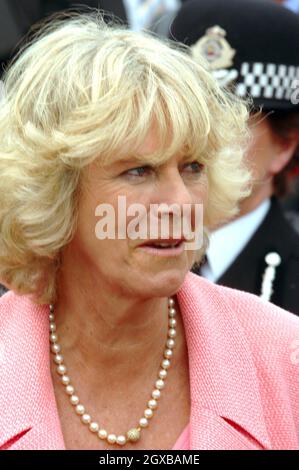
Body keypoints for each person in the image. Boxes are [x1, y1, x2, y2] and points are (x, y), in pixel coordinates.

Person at [0, 13, 299, 451]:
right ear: (53, 192)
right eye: (139, 171)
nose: (180, 203)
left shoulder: (285, 360)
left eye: (193, 167)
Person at [171, 0, 299, 316]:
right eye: (186, 119)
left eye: (228, 123)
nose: (201, 141)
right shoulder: (122, 250)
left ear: (284, 146)